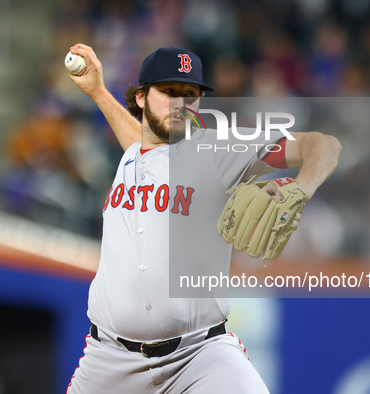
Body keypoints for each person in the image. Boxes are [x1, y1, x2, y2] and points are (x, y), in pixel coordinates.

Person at [66, 44, 341, 393]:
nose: (180, 104)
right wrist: (98, 92)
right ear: (140, 98)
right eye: (169, 92)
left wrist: (302, 187)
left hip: (198, 355)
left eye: (190, 94)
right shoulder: (135, 154)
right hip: (109, 361)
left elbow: (323, 145)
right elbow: (141, 142)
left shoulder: (218, 151)